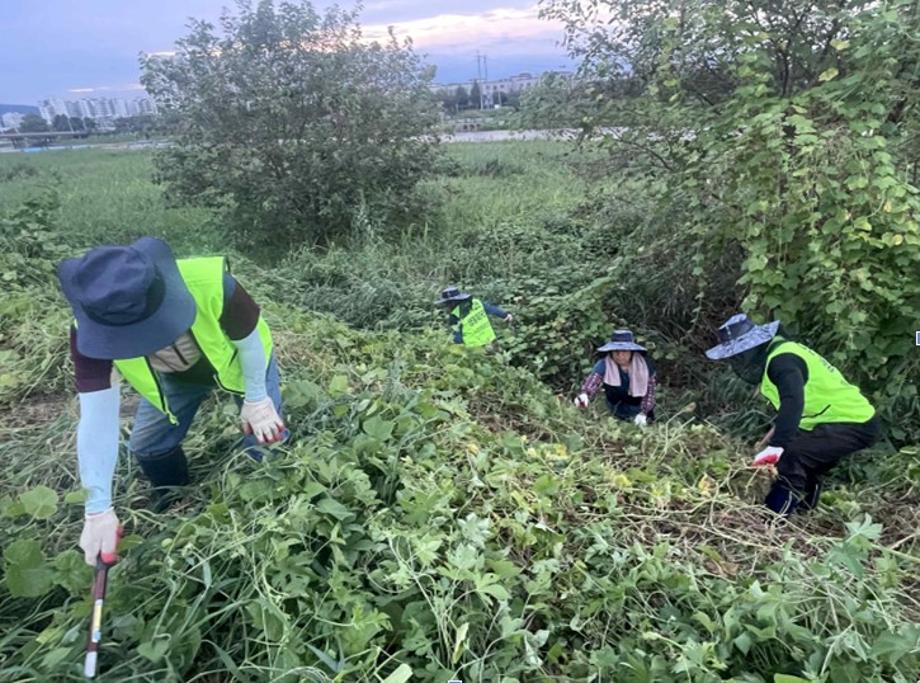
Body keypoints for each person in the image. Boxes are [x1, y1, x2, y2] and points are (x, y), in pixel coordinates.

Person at [57, 237, 287, 566]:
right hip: (174, 379)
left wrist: (256, 398)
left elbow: (250, 341)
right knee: (147, 447)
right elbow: (97, 418)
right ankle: (175, 500)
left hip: (238, 363)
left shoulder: (210, 282)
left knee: (265, 440)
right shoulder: (89, 331)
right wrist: (97, 509)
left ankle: (270, 513)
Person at [705, 313, 879, 515]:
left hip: (854, 422)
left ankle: (774, 519)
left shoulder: (783, 361)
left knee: (792, 456)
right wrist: (768, 442)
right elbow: (790, 412)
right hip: (832, 421)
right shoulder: (780, 354)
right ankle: (804, 510)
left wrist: (777, 446)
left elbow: (793, 403)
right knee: (806, 459)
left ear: (752, 348)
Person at [574, 329, 657, 426]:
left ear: (631, 351)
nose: (620, 355)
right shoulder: (604, 363)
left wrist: (644, 413)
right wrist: (585, 395)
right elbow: (594, 380)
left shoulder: (645, 366)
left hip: (638, 408)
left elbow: (650, 392)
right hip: (615, 408)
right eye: (616, 351)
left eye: (624, 351)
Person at [434, 286, 512, 347]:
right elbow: (492, 309)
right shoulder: (476, 302)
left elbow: (457, 336)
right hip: (491, 341)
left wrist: (457, 347)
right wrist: (505, 315)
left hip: (474, 348)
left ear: (451, 303)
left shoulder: (455, 315)